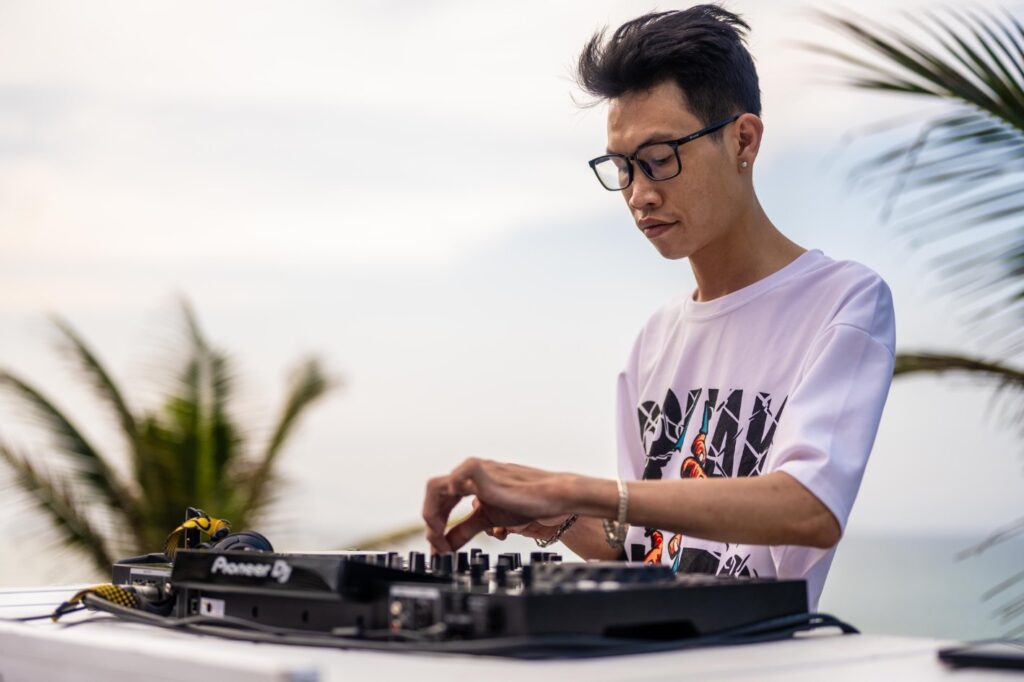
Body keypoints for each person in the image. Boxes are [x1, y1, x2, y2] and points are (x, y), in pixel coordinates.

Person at [421, 5, 895, 610]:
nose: (640, 194)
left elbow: (810, 508)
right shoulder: (656, 337)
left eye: (661, 156)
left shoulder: (843, 301)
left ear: (742, 140)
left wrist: (578, 488)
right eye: (621, 168)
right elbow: (643, 549)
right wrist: (561, 514)